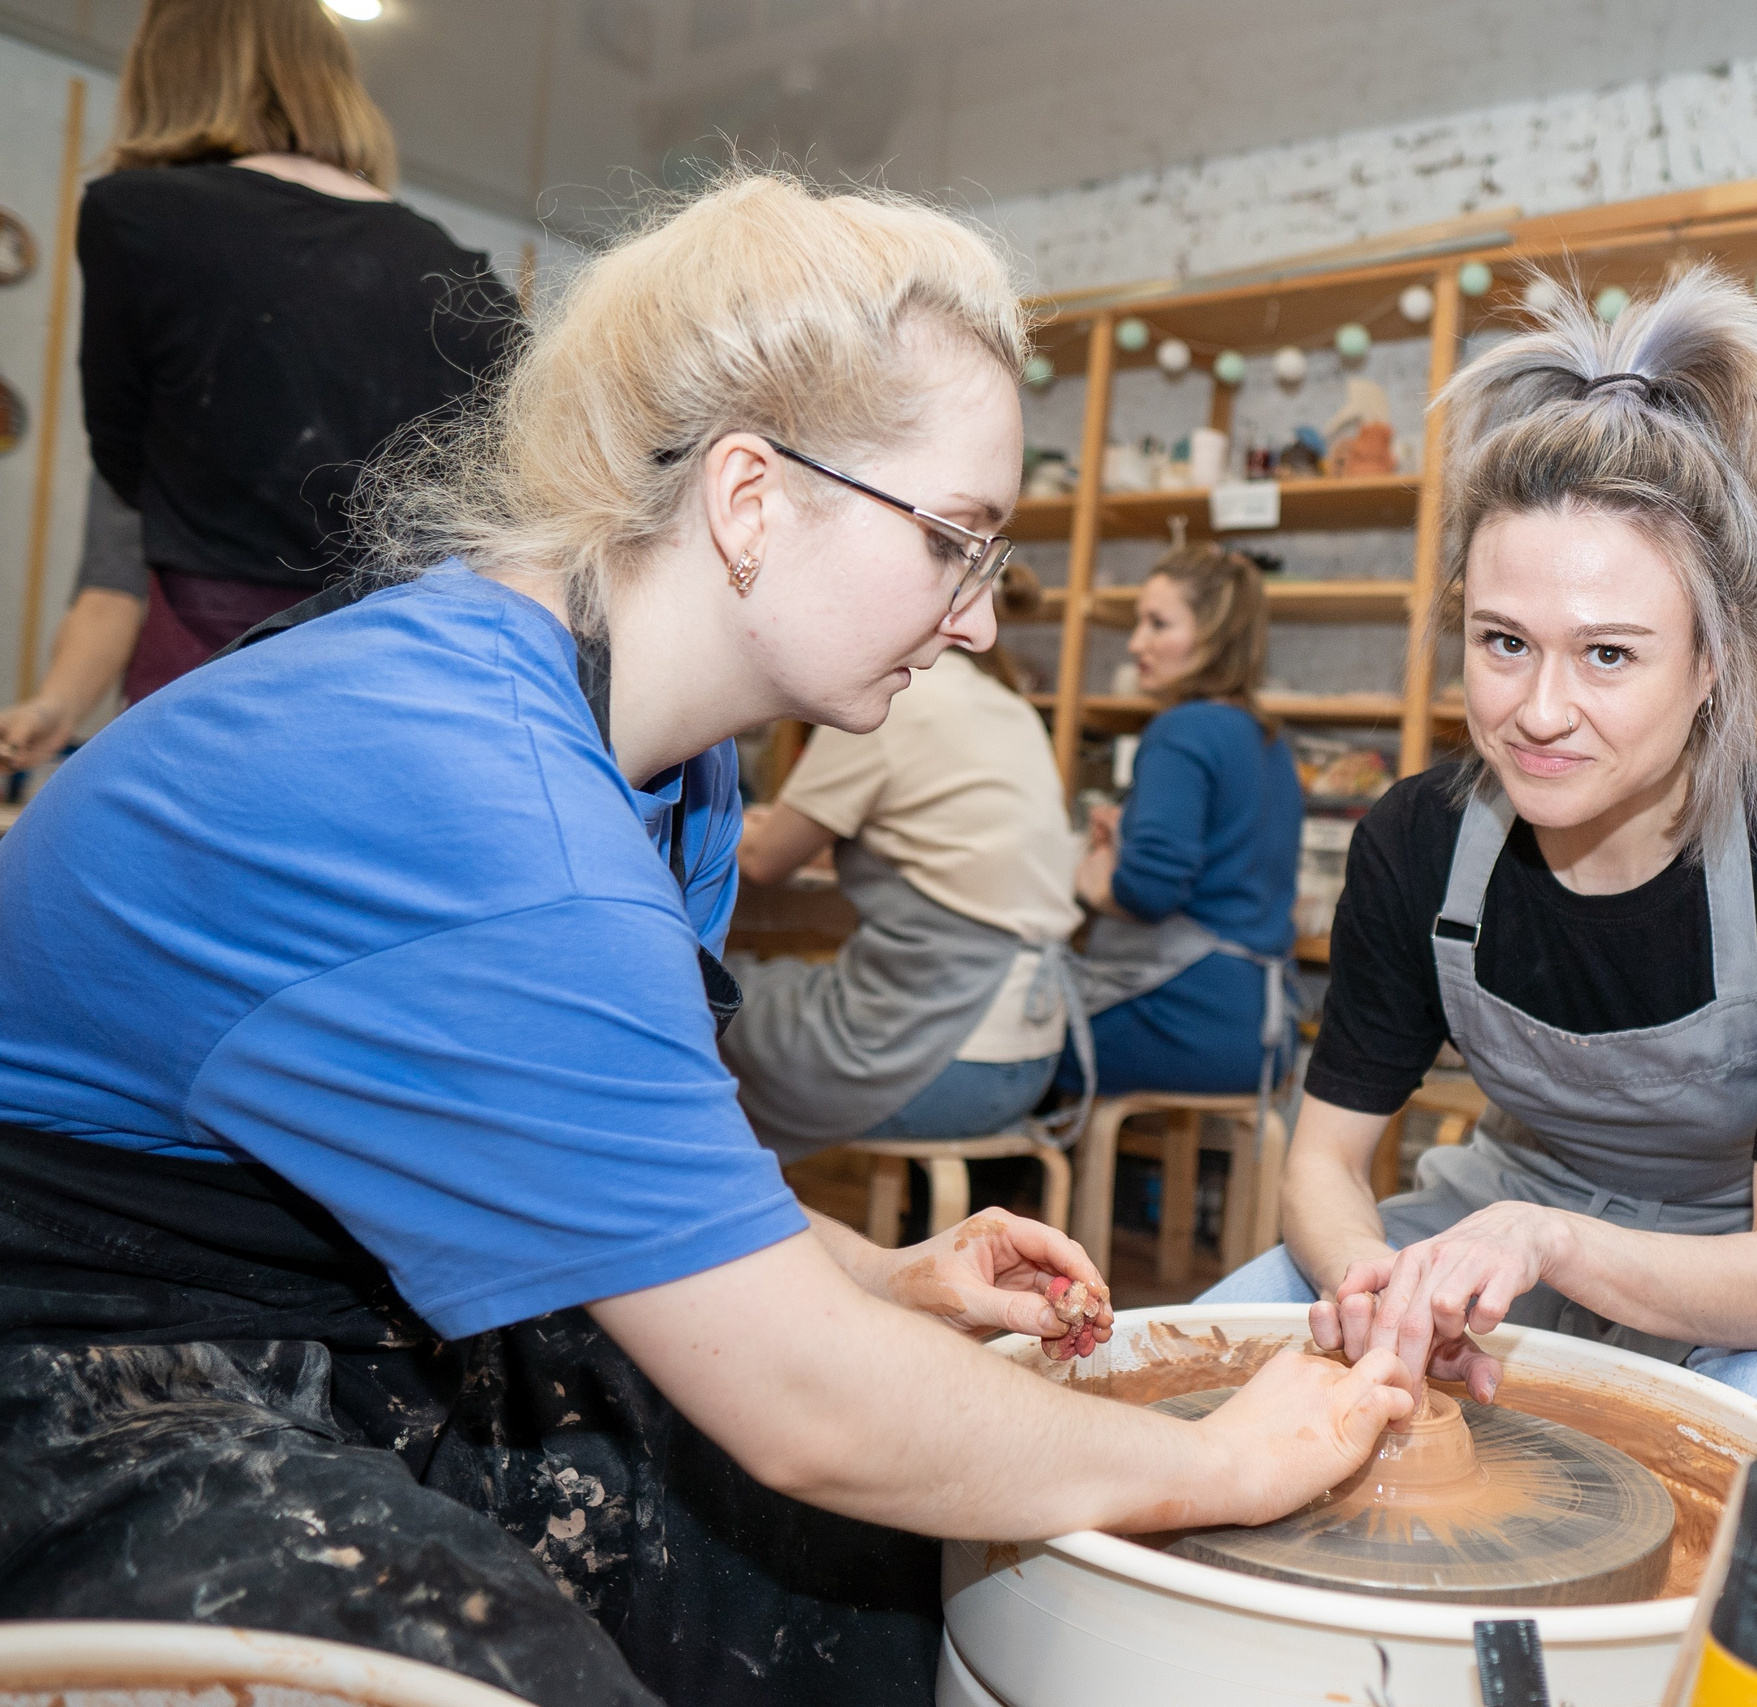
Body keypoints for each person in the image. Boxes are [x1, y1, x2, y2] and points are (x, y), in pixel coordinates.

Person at [0, 173, 1409, 1707]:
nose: (984, 617)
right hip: (69, 1355)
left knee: (857, 1576)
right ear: (749, 499)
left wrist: (884, 1276)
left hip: (307, 1291)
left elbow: (608, 1171)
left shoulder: (678, 765)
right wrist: (1216, 1459)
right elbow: (810, 1405)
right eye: (958, 539)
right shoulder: (488, 795)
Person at [1200, 271, 1757, 1414]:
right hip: (1493, 1221)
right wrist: (1375, 1295)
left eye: (1607, 655)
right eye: (1502, 642)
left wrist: (1553, 1244)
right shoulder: (1418, 843)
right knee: (1221, 1346)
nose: (1537, 712)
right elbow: (1325, 1162)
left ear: (1710, 664)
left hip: (1731, 1266)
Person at [0, 0, 515, 772]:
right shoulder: (469, 282)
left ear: (174, 70)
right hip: (390, 738)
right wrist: (55, 706)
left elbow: (125, 482)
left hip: (204, 723)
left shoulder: (139, 222)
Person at [723, 564, 1084, 1154]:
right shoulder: (1013, 709)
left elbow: (763, 862)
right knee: (780, 988)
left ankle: (703, 1222)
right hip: (1030, 1062)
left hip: (937, 1058)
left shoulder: (894, 697)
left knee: (700, 1000)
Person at [1061, 544, 1304, 1108]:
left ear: (1213, 636)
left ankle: (1024, 1199)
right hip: (1263, 1028)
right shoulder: (1267, 742)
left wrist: (1095, 881)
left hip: (1188, 1020)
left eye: (1157, 624)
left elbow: (1148, 890)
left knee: (1016, 1046)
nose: (1135, 642)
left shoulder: (1182, 730)